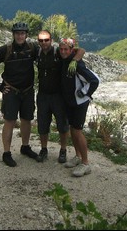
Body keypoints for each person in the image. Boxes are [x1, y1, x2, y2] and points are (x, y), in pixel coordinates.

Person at [0, 22, 39, 166]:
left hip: (27, 91)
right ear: (13, 35)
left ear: (26, 35)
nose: (20, 36)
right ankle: (6, 153)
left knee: (27, 119)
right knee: (10, 121)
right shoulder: (5, 50)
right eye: (17, 33)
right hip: (11, 91)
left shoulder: (32, 48)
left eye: (22, 33)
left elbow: (47, 54)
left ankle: (25, 147)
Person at [34, 30, 84, 164]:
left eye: (46, 40)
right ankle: (44, 149)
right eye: (41, 40)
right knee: (42, 124)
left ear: (51, 40)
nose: (44, 43)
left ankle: (63, 150)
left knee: (62, 125)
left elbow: (80, 50)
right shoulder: (36, 52)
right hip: (43, 94)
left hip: (58, 96)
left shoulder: (58, 51)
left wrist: (75, 60)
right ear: (38, 41)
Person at [58, 37, 99, 177]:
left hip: (79, 103)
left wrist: (84, 93)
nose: (63, 52)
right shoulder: (65, 60)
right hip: (70, 101)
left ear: (71, 50)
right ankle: (77, 156)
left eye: (66, 49)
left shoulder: (77, 65)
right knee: (72, 129)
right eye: (61, 49)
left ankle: (86, 163)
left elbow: (95, 80)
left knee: (77, 131)